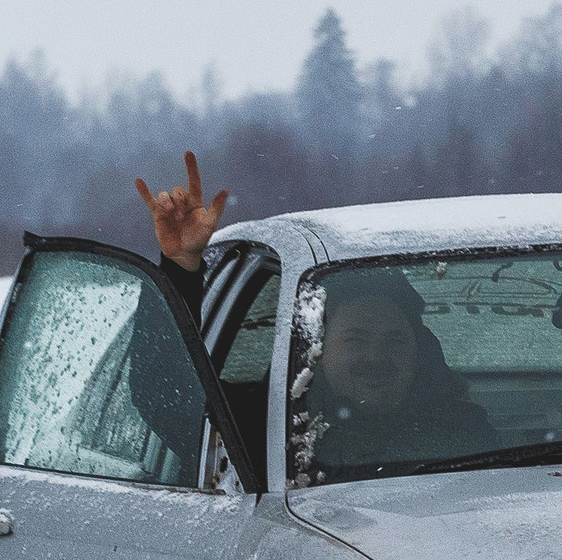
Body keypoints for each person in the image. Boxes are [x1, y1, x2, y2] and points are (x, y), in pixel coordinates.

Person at [137, 154, 493, 476]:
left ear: (418, 351)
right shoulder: (265, 426)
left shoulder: (465, 435)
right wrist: (181, 269)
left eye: (395, 341)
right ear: (316, 350)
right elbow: (162, 391)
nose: (376, 357)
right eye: (356, 339)